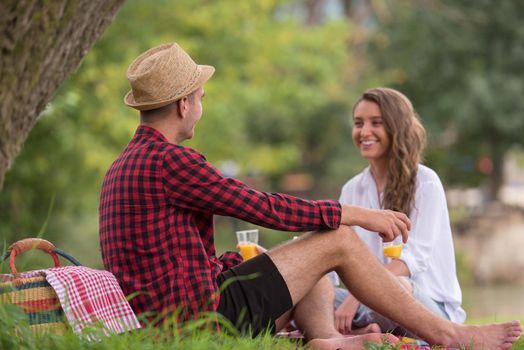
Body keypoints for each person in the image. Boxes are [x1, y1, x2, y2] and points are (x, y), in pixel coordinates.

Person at [99, 43, 522, 350]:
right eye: (200, 98)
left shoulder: (120, 168)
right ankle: (452, 336)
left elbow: (171, 264)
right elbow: (263, 207)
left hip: (171, 319)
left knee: (314, 251)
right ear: (182, 105)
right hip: (202, 322)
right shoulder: (171, 162)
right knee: (335, 239)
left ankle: (328, 341)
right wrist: (355, 216)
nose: (200, 107)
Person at [333, 87, 466, 337]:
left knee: (399, 288)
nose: (364, 132)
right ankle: (365, 332)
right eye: (358, 123)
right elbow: (331, 255)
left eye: (376, 123)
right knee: (312, 297)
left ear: (396, 127)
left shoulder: (425, 182)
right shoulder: (352, 189)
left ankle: (358, 332)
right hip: (368, 304)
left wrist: (354, 298)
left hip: (427, 309)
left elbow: (412, 259)